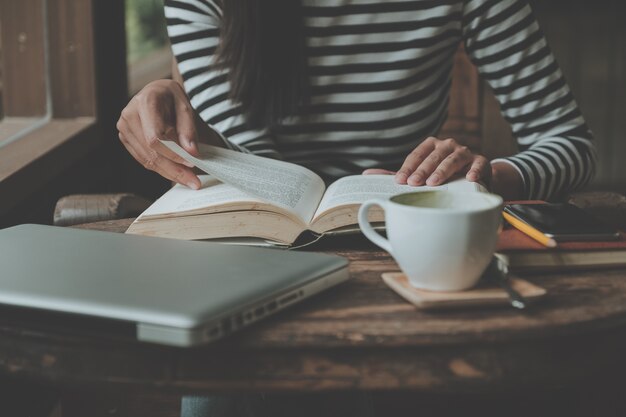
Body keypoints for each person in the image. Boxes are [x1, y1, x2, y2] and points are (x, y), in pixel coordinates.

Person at [116, 0, 597, 415]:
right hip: (251, 255)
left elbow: (571, 143)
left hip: (403, 256)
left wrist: (482, 177)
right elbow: (250, 150)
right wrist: (172, 96)